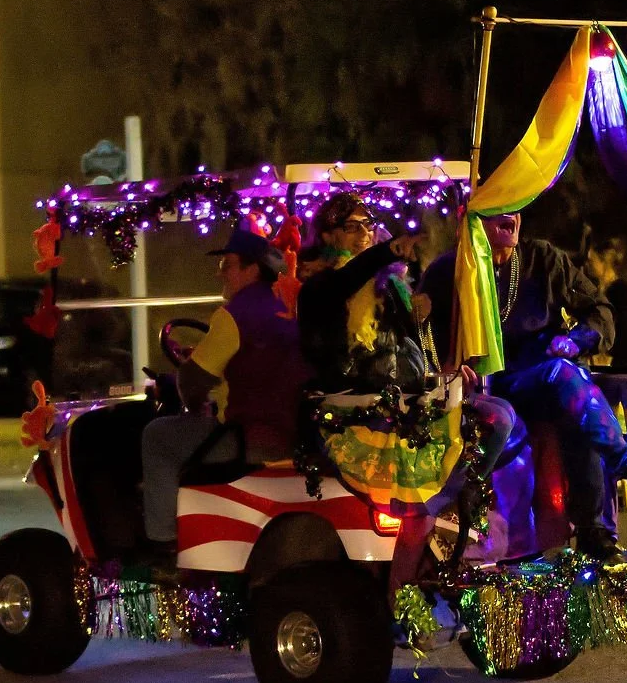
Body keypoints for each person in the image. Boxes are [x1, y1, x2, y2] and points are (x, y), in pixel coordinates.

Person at [423, 212, 627, 558]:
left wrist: (576, 341)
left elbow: (600, 311)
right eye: (497, 208)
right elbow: (421, 339)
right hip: (482, 389)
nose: (510, 216)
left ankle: (593, 529)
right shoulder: (448, 270)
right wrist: (447, 367)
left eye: (516, 207)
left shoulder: (543, 259)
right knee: (565, 378)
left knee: (573, 390)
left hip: (542, 380)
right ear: (472, 219)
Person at [141, 226, 309, 548]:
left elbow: (192, 383)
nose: (221, 275)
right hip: (291, 431)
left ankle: (162, 542)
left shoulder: (234, 315)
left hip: (250, 436)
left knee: (157, 436)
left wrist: (189, 398)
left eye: (227, 266)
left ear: (252, 269)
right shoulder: (290, 304)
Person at [297, 192, 433, 392]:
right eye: (351, 227)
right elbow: (346, 280)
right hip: (342, 402)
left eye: (367, 224)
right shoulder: (319, 283)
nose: (363, 233)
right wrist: (387, 251)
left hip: (393, 397)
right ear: (327, 236)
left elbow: (406, 340)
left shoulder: (388, 282)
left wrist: (419, 315)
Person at [583, 232, 627, 370]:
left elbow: (625, 332)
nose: (587, 264)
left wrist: (607, 352)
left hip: (616, 365)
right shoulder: (598, 291)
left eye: (591, 260)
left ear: (604, 260)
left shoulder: (621, 293)